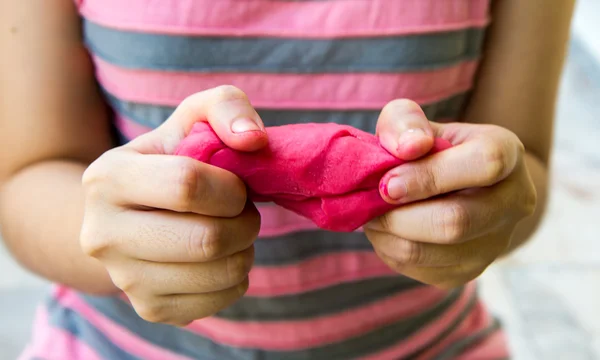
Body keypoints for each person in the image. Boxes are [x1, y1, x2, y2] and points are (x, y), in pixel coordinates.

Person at [0, 0, 575, 359]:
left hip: (425, 346)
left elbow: (528, 167)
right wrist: (117, 240)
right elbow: (27, 174)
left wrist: (481, 203)